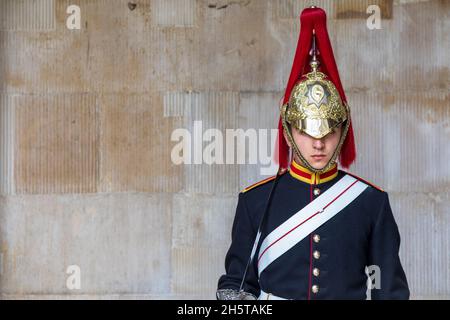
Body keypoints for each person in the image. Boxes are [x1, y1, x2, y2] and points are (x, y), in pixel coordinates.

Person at [216, 7, 409, 300]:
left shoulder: (370, 203)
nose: (318, 144)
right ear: (288, 132)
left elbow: (387, 289)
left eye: (328, 132)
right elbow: (239, 281)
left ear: (342, 131)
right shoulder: (254, 202)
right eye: (307, 132)